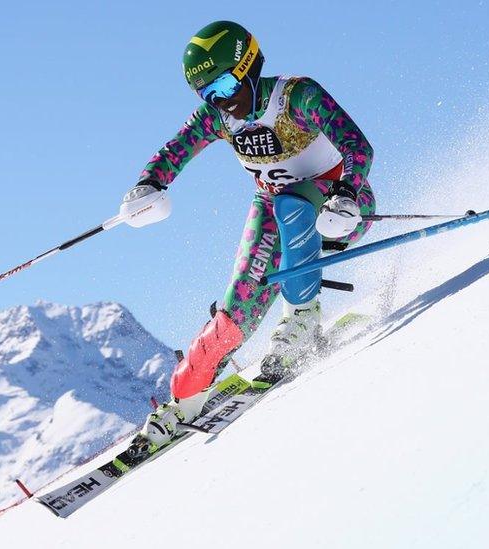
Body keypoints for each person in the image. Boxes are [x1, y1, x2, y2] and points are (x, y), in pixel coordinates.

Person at [118, 20, 375, 446]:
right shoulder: (219, 117)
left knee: (293, 205)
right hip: (275, 208)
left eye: (222, 85)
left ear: (248, 66)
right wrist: (148, 185)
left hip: (342, 206)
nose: (220, 101)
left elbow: (357, 146)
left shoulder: (296, 96)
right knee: (234, 314)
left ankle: (303, 320)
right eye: (206, 94)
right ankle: (184, 399)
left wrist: (347, 194)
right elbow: (175, 150)